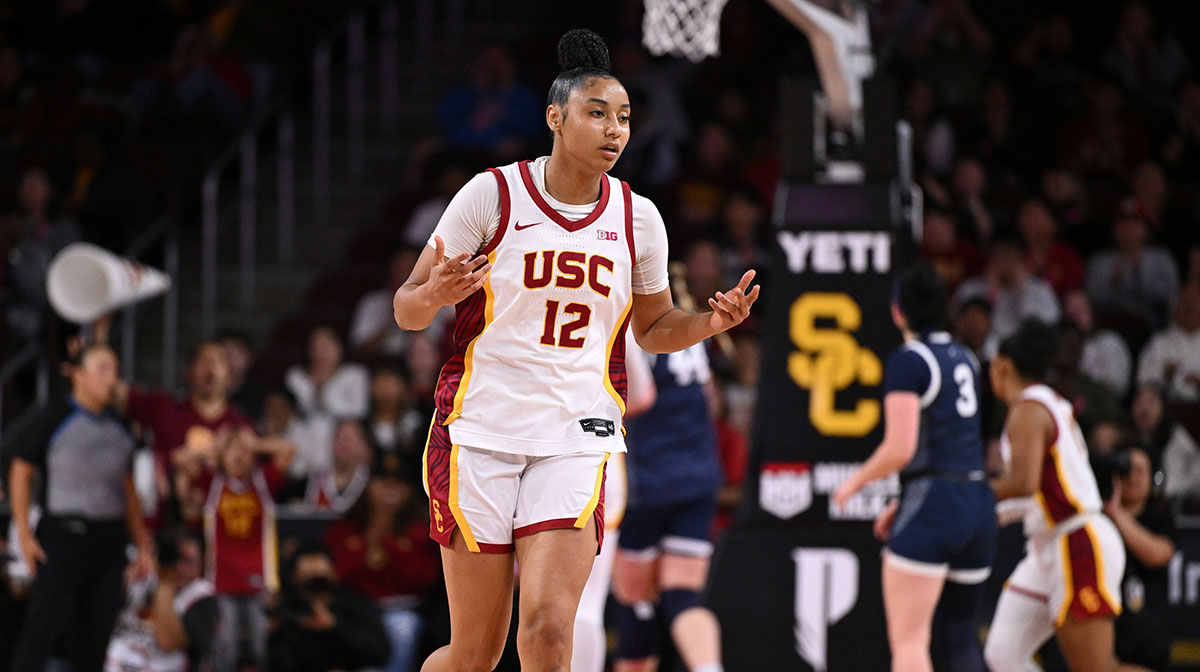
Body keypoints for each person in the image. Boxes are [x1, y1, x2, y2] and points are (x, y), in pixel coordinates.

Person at [391, 29, 758, 672]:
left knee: (549, 629)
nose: (615, 130)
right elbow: (405, 308)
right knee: (475, 654)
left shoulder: (639, 216)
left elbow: (653, 328)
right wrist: (437, 294)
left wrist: (707, 323)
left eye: (623, 118)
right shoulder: (493, 195)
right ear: (555, 119)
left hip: (575, 432)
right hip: (480, 427)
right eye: (597, 114)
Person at [833, 263, 995, 672]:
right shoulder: (968, 358)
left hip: (936, 504)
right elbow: (956, 447)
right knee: (960, 639)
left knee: (909, 643)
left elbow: (900, 449)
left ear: (897, 310)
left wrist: (852, 483)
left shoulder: (910, 360)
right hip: (977, 502)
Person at [983, 319, 1136, 672]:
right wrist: (996, 512)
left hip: (1076, 540)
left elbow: (1022, 482)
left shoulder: (1027, 409)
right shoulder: (1046, 402)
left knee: (1098, 669)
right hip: (1046, 545)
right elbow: (1035, 491)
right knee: (1002, 656)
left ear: (1003, 365)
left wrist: (971, 493)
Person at [7, 341, 154, 672]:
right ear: (77, 374)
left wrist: (143, 543)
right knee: (41, 631)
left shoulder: (121, 426)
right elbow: (20, 470)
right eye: (102, 368)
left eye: (115, 369)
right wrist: (24, 533)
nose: (110, 377)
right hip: (62, 536)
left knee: (95, 636)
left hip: (108, 540)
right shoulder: (55, 417)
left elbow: (128, 490)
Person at [612, 334, 726, 672]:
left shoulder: (624, 324)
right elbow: (712, 400)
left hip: (644, 479)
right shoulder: (687, 324)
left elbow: (635, 398)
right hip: (698, 474)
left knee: (636, 604)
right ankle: (709, 667)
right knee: (683, 595)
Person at [176, 426, 294, 671]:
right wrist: (218, 447)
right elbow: (181, 458)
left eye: (244, 452)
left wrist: (254, 444)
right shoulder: (213, 483)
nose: (239, 457)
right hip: (222, 580)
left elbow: (288, 450)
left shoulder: (263, 482)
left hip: (258, 579)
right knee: (225, 646)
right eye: (233, 452)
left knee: (261, 647)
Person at [323, 454, 442, 672]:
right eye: (382, 483)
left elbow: (425, 579)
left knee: (402, 628)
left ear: (409, 491)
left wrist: (388, 546)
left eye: (397, 485)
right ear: (368, 486)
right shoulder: (347, 528)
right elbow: (337, 574)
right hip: (355, 609)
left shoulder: (421, 531)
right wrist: (369, 544)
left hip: (403, 609)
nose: (389, 490)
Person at [103, 527, 222, 672]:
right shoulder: (140, 580)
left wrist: (165, 583)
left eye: (188, 561)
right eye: (175, 559)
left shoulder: (201, 596)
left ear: (201, 563)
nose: (179, 567)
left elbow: (168, 642)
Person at [267, 542, 391, 672]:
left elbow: (379, 654)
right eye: (308, 580)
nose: (316, 587)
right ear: (293, 578)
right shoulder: (287, 609)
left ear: (334, 574)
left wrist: (334, 627)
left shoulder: (356, 604)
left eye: (321, 580)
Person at [1105, 445, 1175, 671]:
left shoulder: (1161, 517)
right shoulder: (1098, 519)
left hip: (1148, 639)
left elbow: (1157, 554)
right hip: (1108, 631)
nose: (1133, 477)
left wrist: (1117, 514)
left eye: (1140, 470)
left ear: (1153, 478)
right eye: (1127, 470)